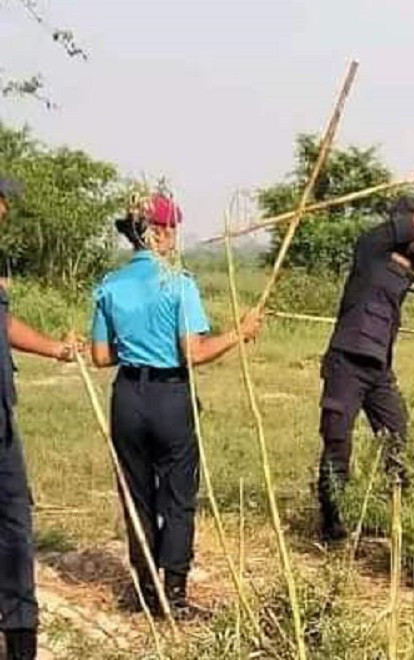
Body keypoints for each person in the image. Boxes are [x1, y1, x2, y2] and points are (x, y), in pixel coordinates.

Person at [90, 193, 262, 618]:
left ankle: (146, 590)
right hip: (170, 397)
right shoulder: (178, 283)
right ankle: (176, 593)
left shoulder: (110, 286)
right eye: (172, 229)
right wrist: (239, 333)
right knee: (179, 496)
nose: (175, 237)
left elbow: (99, 356)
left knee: (136, 495)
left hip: (128, 396)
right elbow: (193, 352)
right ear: (159, 232)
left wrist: (135, 346)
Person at [317, 166, 414, 543]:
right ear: (402, 224)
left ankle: (394, 511)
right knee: (338, 441)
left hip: (378, 367)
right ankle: (332, 525)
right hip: (347, 359)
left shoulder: (409, 255)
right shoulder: (373, 243)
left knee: (396, 433)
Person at [0, 176, 85, 660]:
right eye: (0, 201)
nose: (6, 211)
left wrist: (54, 348)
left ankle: (20, 637)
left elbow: (4, 322)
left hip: (3, 420)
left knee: (15, 526)